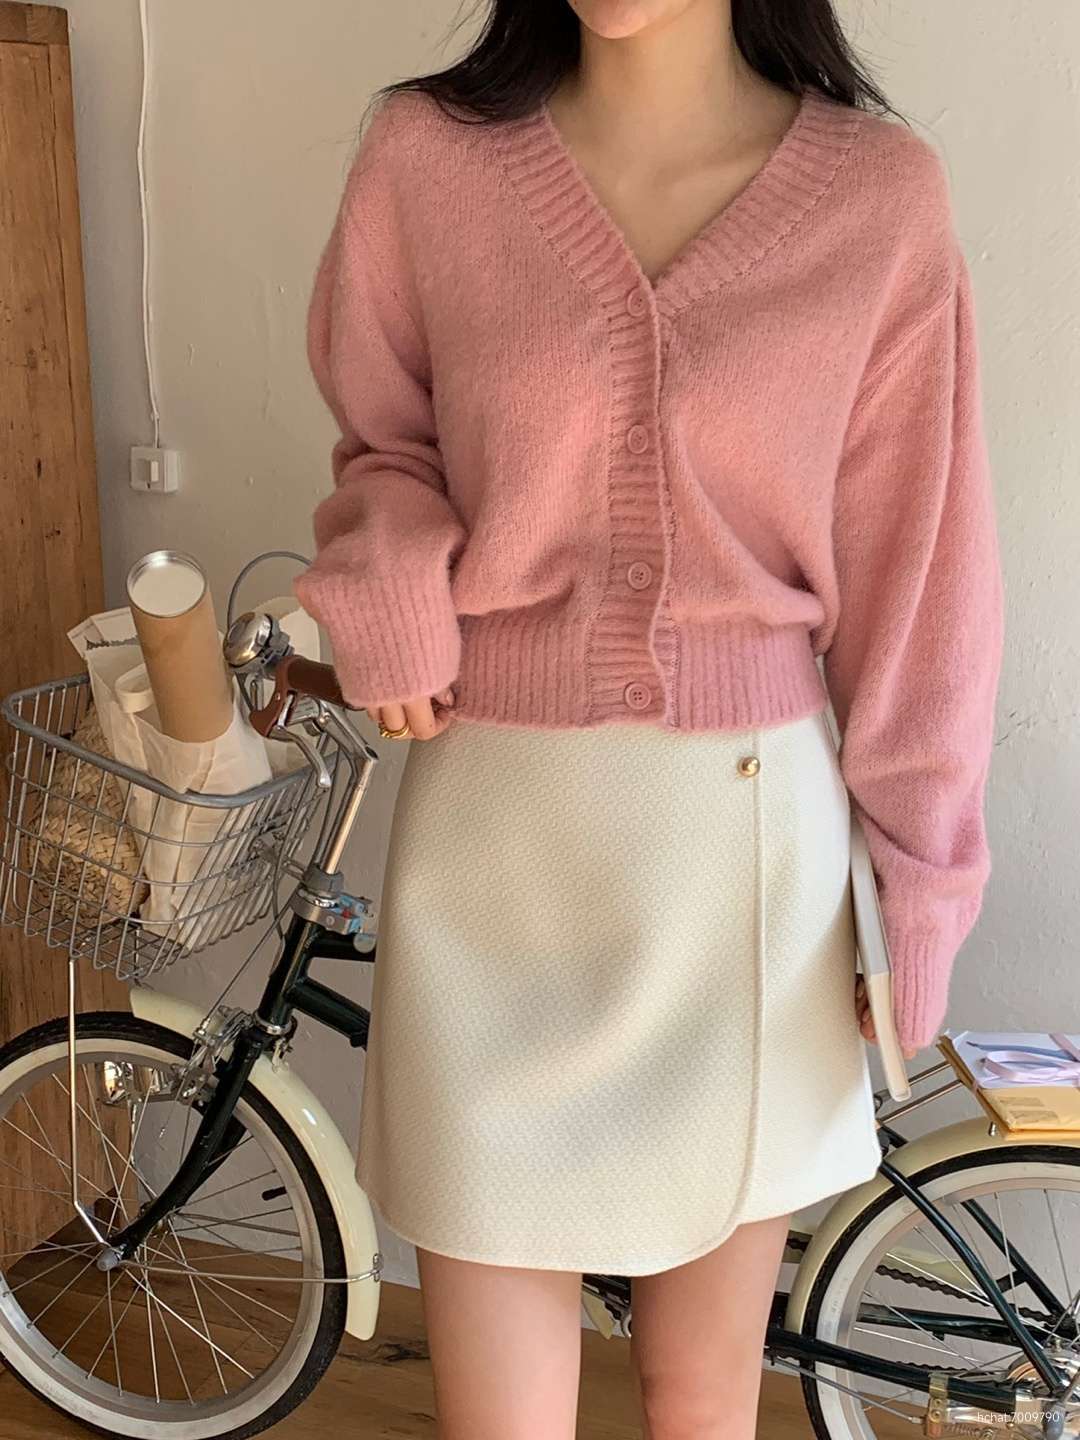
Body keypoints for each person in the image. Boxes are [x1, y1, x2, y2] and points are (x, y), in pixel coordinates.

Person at [294, 1, 1004, 1435]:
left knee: (699, 1402)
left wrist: (921, 891)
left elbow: (922, 579)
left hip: (741, 860)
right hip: (492, 846)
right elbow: (384, 443)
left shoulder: (878, 199)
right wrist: (390, 584)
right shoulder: (426, 158)